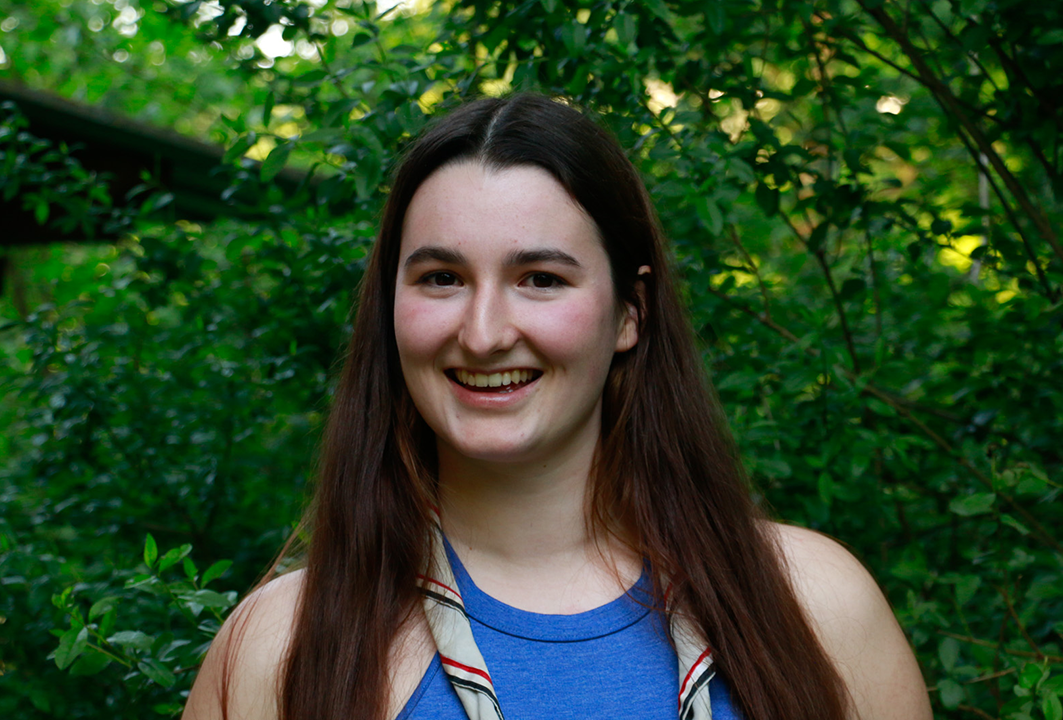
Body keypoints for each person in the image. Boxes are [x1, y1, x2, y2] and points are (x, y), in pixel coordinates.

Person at [182, 94, 932, 720]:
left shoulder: (816, 608)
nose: (483, 334)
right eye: (442, 278)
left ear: (631, 312)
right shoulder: (281, 648)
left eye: (540, 278)